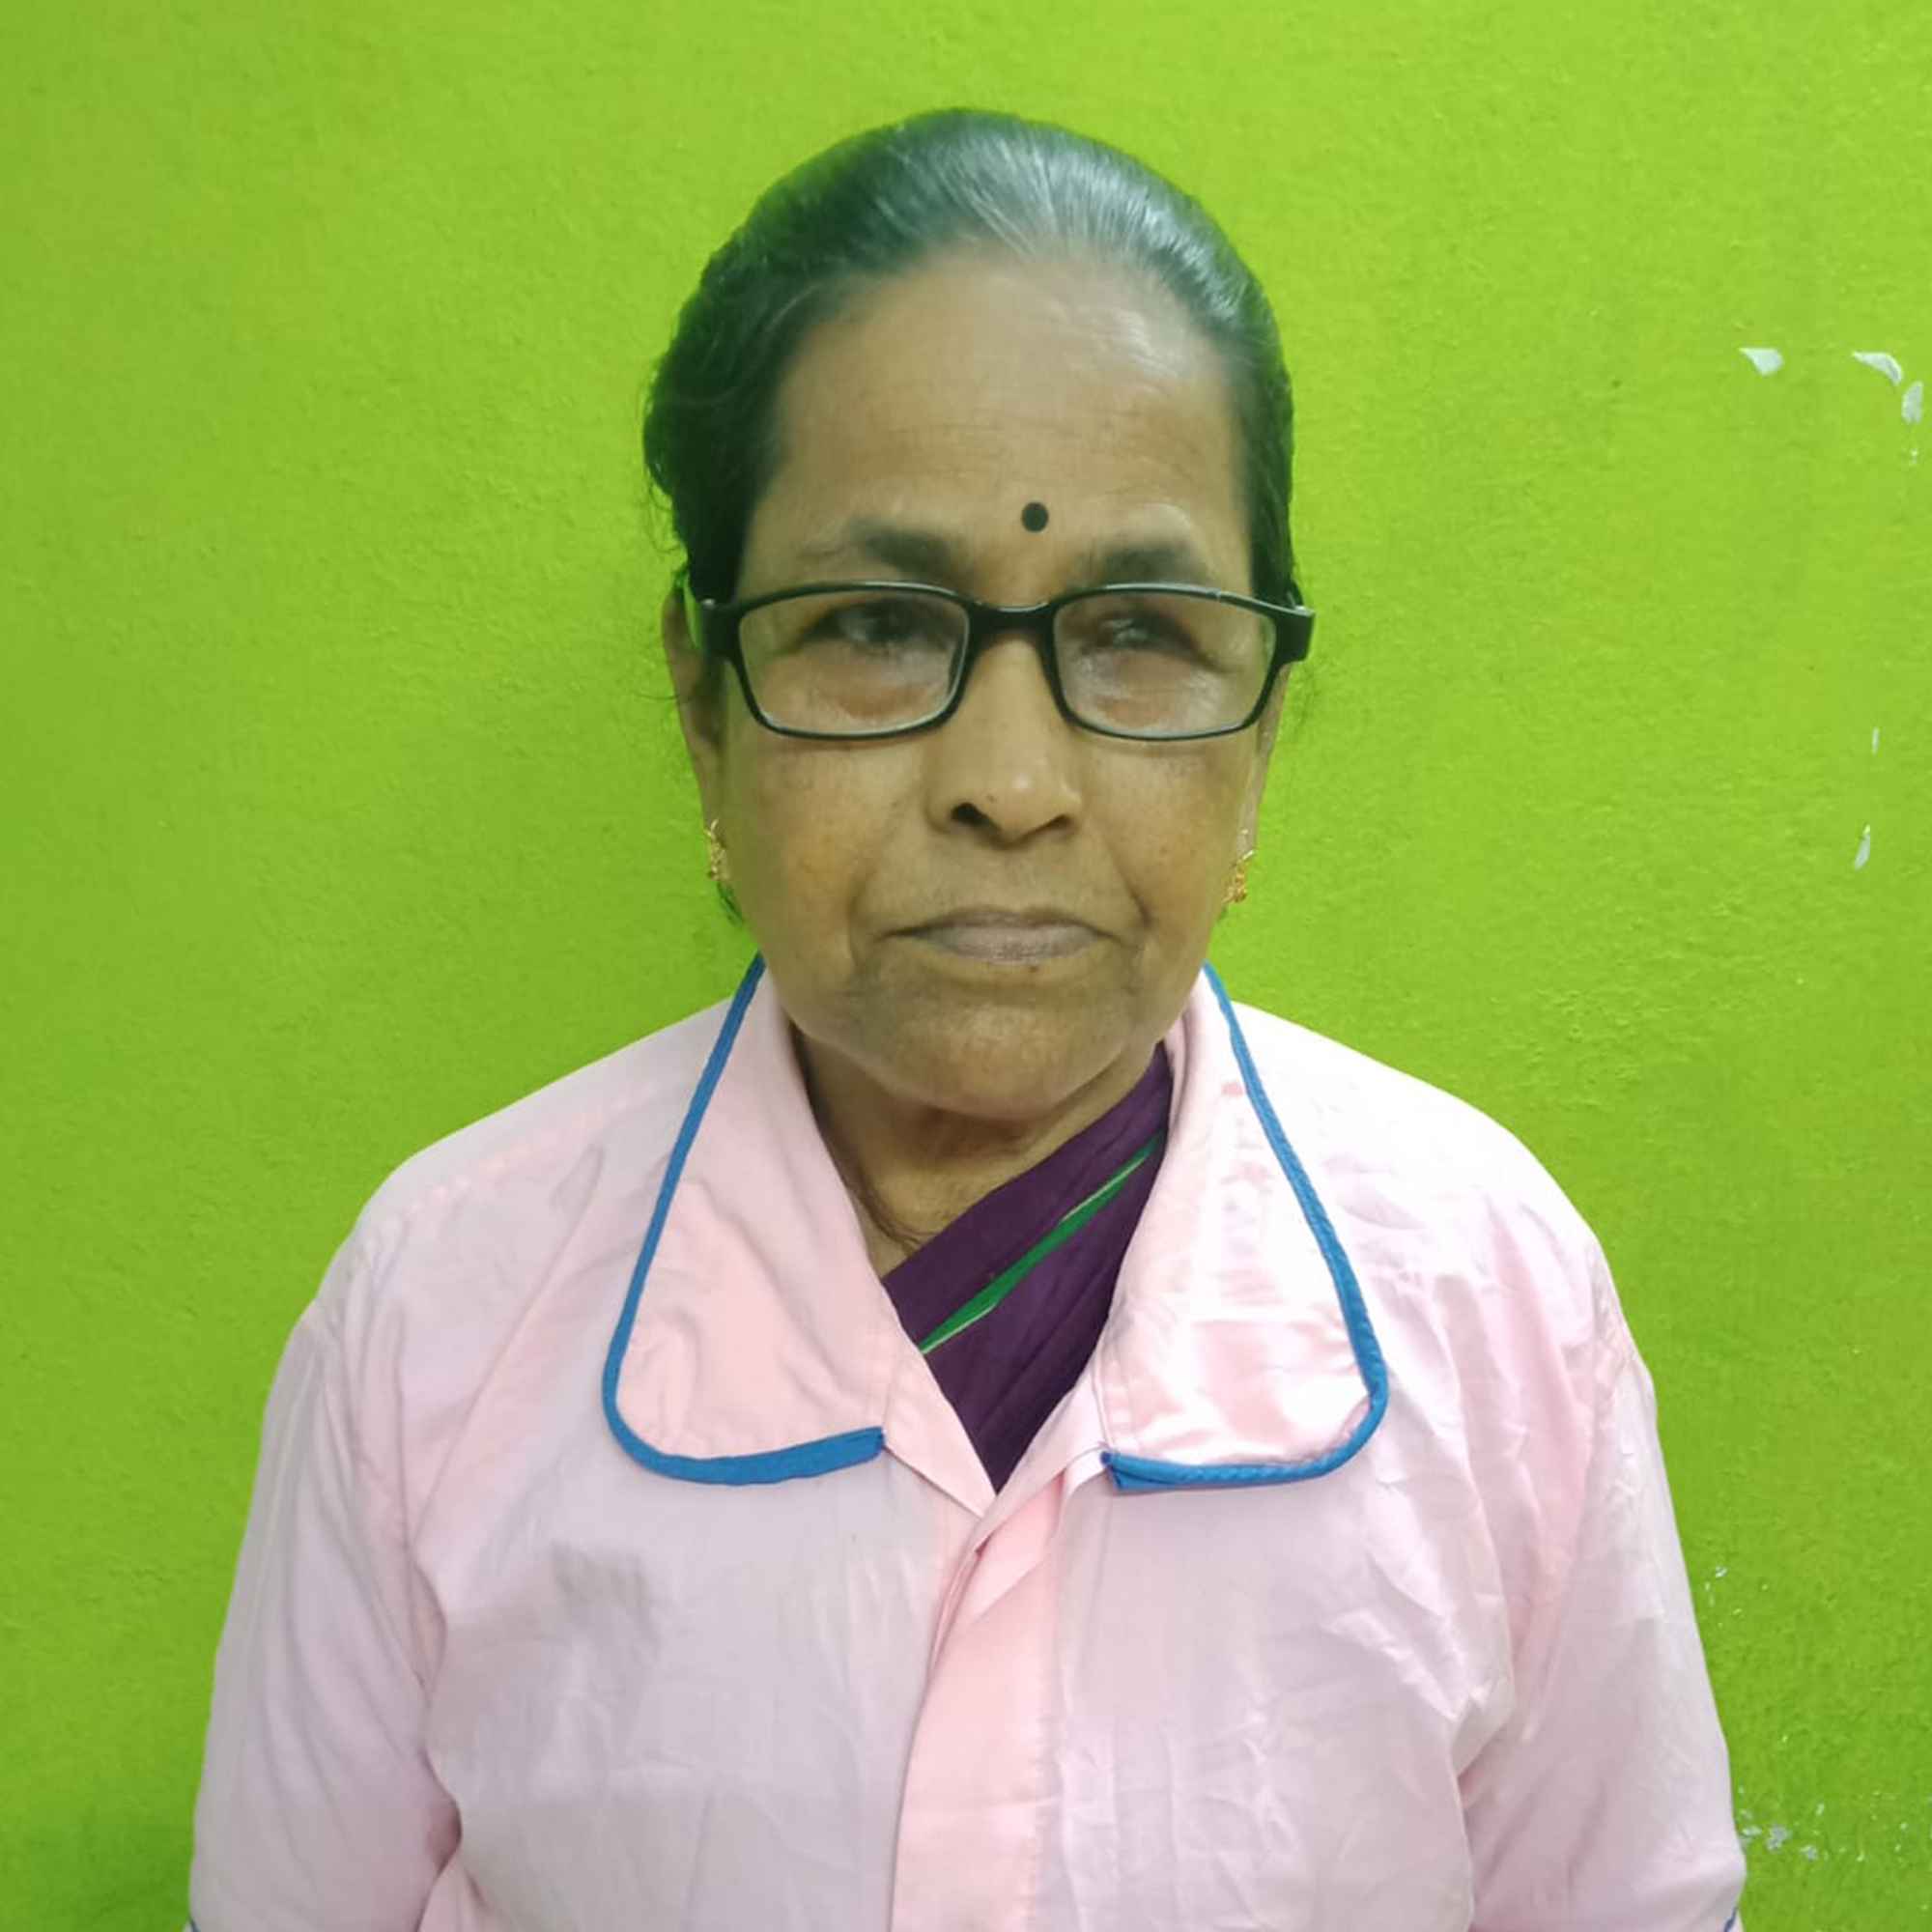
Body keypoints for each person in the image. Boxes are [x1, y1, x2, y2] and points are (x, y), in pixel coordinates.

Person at [186, 107, 1747, 1931]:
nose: (1011, 782)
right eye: (872, 623)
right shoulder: (439, 1319)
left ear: (1259, 727)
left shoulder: (1492, 1306)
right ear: (703, 703)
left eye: (1141, 632)